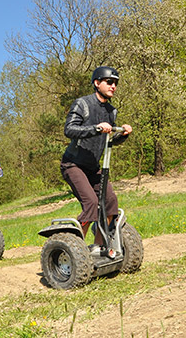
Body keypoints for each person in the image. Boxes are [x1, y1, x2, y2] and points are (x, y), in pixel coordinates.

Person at [60, 66, 132, 252]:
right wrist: (96, 128)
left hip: (93, 168)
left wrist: (123, 134)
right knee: (91, 204)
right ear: (96, 83)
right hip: (73, 165)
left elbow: (109, 141)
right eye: (109, 82)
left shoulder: (111, 111)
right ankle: (72, 248)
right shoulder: (82, 104)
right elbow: (69, 130)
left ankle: (98, 246)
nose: (113, 86)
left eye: (115, 83)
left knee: (110, 202)